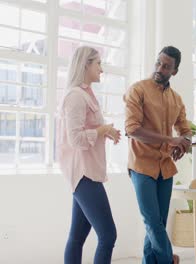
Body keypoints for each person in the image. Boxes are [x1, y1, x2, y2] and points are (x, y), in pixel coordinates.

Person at [124, 46, 192, 264]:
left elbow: (186, 130)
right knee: (152, 221)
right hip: (141, 165)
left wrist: (182, 144)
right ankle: (169, 260)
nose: (160, 69)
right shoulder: (138, 90)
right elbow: (132, 129)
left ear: (175, 71)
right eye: (158, 63)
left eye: (166, 66)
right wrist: (170, 140)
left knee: (158, 223)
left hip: (165, 167)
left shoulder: (177, 99)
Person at [57, 46, 121, 264]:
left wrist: (107, 130)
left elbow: (89, 128)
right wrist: (102, 131)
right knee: (108, 234)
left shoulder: (86, 95)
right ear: (86, 64)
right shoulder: (75, 96)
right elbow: (75, 139)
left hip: (87, 172)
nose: (102, 69)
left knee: (76, 238)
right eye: (98, 64)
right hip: (83, 174)